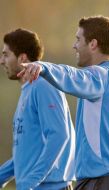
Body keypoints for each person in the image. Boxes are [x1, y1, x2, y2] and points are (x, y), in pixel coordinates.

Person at [18, 16, 109, 190]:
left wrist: (43, 67)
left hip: (101, 180)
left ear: (93, 44)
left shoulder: (100, 76)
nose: (74, 45)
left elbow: (72, 76)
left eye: (78, 39)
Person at [0, 28, 75, 190]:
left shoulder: (43, 85)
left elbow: (60, 135)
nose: (1, 61)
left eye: (6, 55)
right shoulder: (28, 90)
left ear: (22, 58)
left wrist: (30, 182)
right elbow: (26, 154)